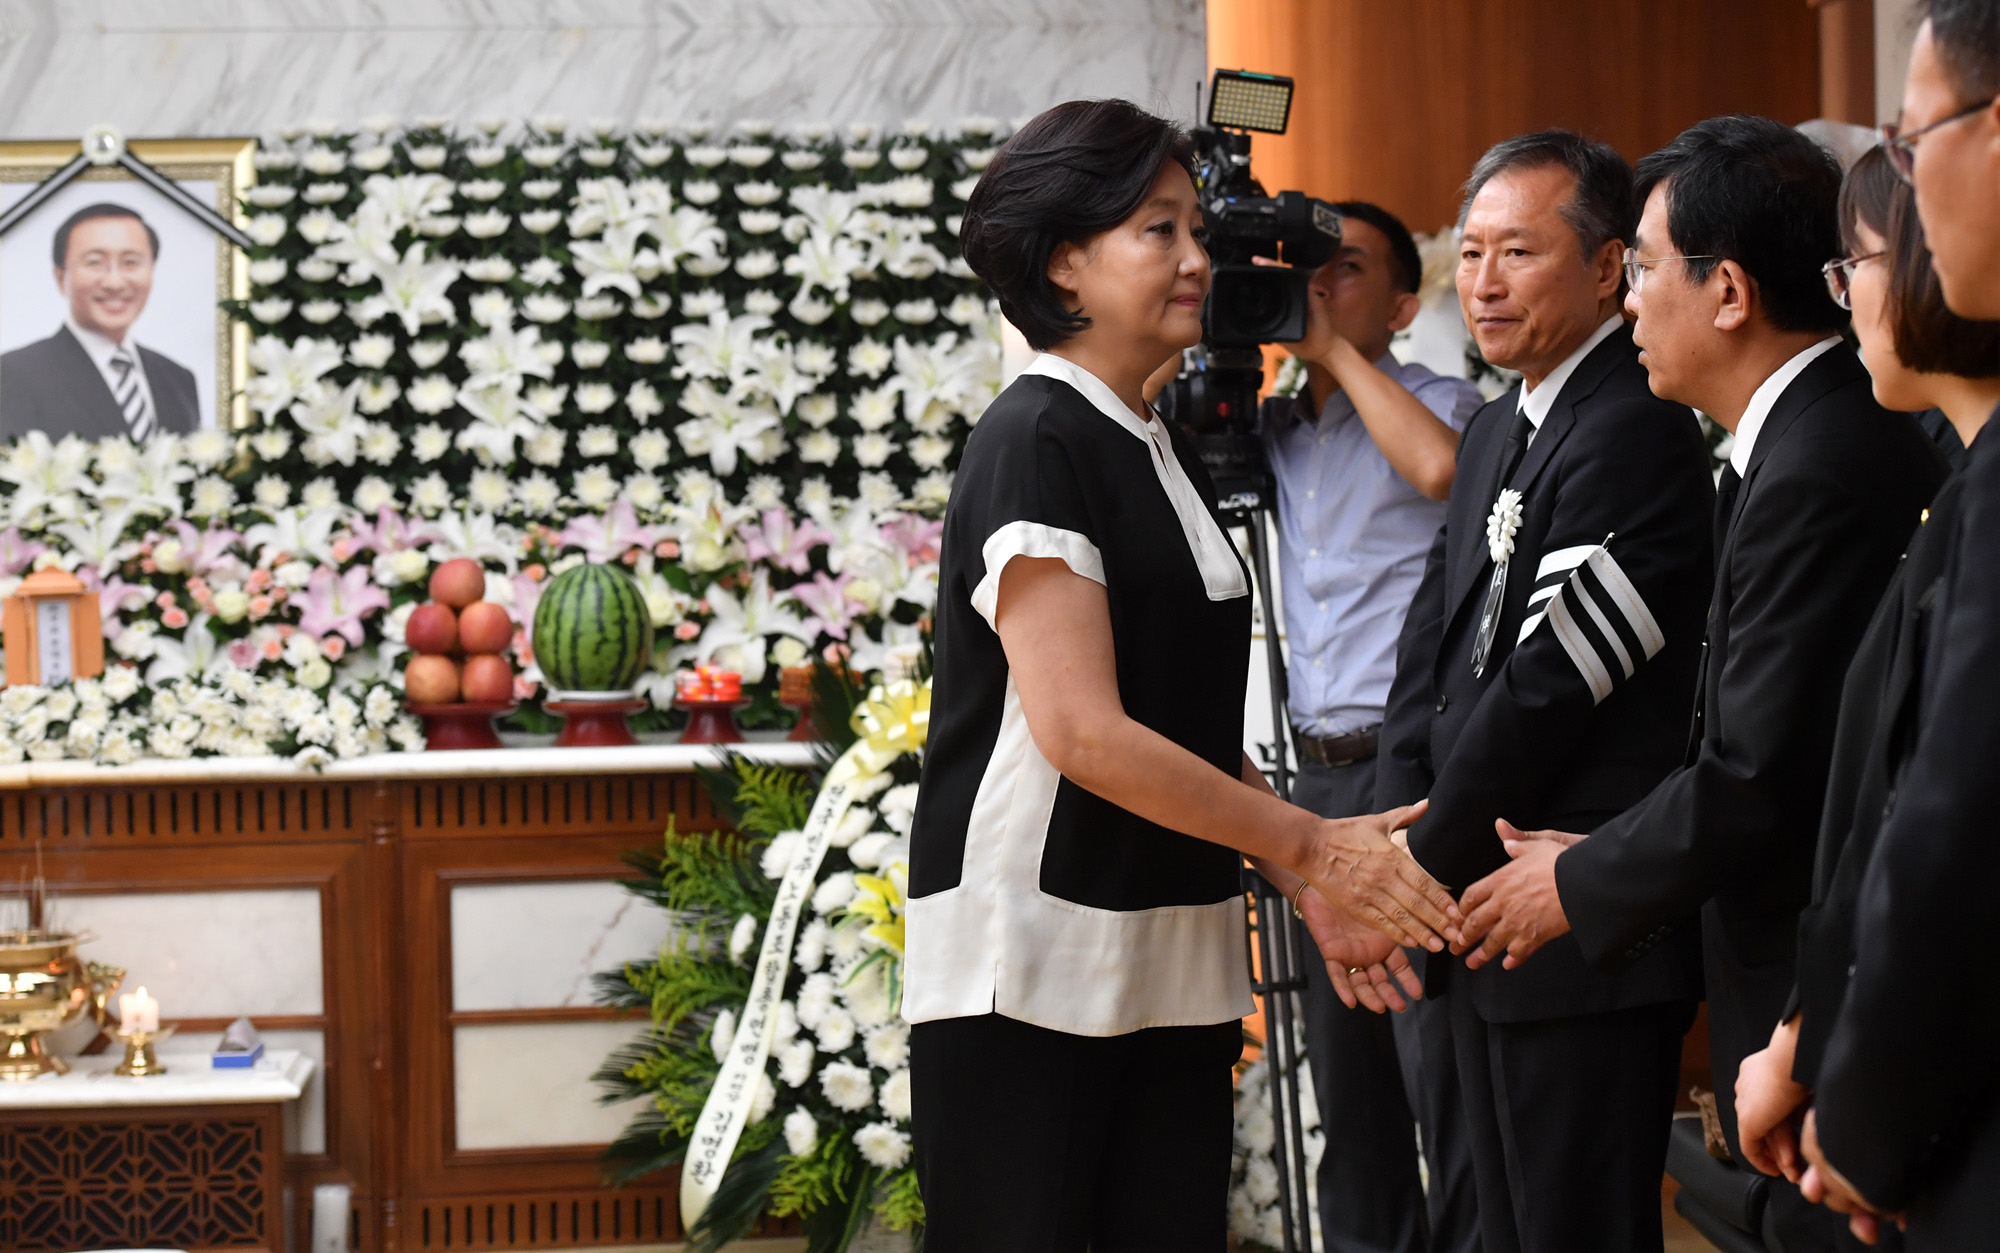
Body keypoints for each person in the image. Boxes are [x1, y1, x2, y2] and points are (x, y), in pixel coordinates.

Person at [903, 98, 1462, 1253]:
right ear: (1065, 262)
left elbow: (1189, 723)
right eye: (1159, 231)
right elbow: (1082, 732)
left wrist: (1306, 885)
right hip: (1039, 961)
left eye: (1193, 229)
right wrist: (1314, 843)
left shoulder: (1146, 438)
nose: (1199, 259)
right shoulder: (1036, 436)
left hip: (1166, 947)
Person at [1451, 117, 1948, 1252]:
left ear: (1724, 290)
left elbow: (1757, 767)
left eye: (1635, 270)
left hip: (1817, 981)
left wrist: (1577, 873)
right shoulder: (1789, 441)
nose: (1627, 304)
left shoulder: (1821, 458)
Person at [1376, 129, 1716, 1253]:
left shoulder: (1633, 428)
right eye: (1468, 253)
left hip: (1568, 925)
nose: (1480, 282)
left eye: (1515, 252)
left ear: (1609, 264)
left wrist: (1402, 873)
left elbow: (1546, 687)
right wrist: (1388, 836)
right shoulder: (1491, 428)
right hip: (1472, 911)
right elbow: (1428, 662)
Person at [1730, 141, 2000, 1253]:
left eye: (1861, 266)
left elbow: (1940, 836)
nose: (1845, 305)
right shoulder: (1955, 482)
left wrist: (1854, 1110)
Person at [1259, 203, 1481, 1253]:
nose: (1313, 289)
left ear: (1399, 302)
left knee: (1435, 1068)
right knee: (1347, 1097)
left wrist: (1337, 356)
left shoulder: (1448, 403)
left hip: (1412, 780)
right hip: (1309, 786)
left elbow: (1439, 471)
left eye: (1340, 270)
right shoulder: (1263, 425)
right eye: (1299, 269)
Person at [0, 202, 200, 441]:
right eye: (95, 262)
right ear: (61, 277)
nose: (114, 282)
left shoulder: (178, 380)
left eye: (131, 262)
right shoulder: (13, 375)